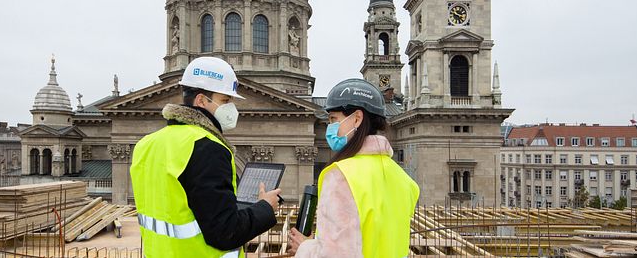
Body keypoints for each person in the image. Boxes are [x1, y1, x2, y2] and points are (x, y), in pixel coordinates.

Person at [130, 56, 281, 258]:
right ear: (201, 100)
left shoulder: (146, 144)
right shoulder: (207, 147)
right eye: (225, 100)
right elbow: (225, 232)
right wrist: (265, 208)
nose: (232, 108)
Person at [288, 78, 420, 258]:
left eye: (334, 119)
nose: (330, 127)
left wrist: (304, 248)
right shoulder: (404, 180)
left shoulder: (341, 176)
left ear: (357, 118)